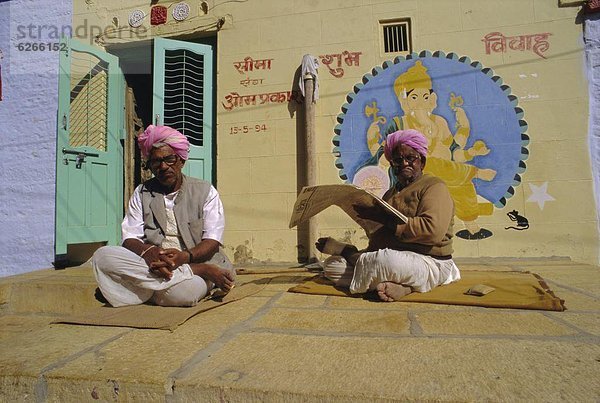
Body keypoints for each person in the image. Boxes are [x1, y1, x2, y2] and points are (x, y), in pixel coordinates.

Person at [92, 125, 235, 307]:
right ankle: (195, 273)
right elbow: (129, 238)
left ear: (181, 160)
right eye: (156, 162)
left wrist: (184, 257)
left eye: (169, 159)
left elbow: (212, 240)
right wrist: (149, 252)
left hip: (194, 259)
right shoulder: (142, 192)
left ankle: (145, 288)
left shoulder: (205, 191)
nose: (163, 166)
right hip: (155, 264)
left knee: (185, 295)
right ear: (150, 166)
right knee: (102, 256)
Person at [355, 61, 496, 240]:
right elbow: (386, 154)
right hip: (418, 177)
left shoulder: (440, 122)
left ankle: (472, 227)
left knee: (463, 184)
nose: (420, 102)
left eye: (424, 96)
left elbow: (454, 152)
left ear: (432, 98)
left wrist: (471, 148)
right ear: (404, 100)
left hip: (447, 175)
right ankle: (474, 172)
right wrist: (373, 143)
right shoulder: (400, 123)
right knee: (434, 164)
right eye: (414, 97)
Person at [317, 129, 461, 301]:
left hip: (430, 261)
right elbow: (382, 237)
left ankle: (349, 252)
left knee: (387, 262)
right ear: (392, 166)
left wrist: (384, 219)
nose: (404, 163)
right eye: (398, 160)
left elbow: (432, 231)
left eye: (410, 158)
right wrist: (371, 224)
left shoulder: (434, 187)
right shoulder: (390, 194)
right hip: (396, 260)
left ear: (421, 162)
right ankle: (404, 286)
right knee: (332, 266)